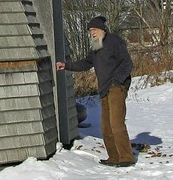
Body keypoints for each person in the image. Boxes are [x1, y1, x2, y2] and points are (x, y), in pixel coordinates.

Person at [56, 15, 135, 167]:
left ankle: (126, 157)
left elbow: (127, 64)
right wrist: (66, 65)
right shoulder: (96, 46)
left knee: (116, 123)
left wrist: (118, 81)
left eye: (95, 29)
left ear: (103, 30)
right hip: (104, 89)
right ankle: (114, 157)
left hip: (117, 88)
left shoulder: (114, 42)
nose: (92, 32)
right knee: (106, 126)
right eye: (90, 30)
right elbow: (86, 63)